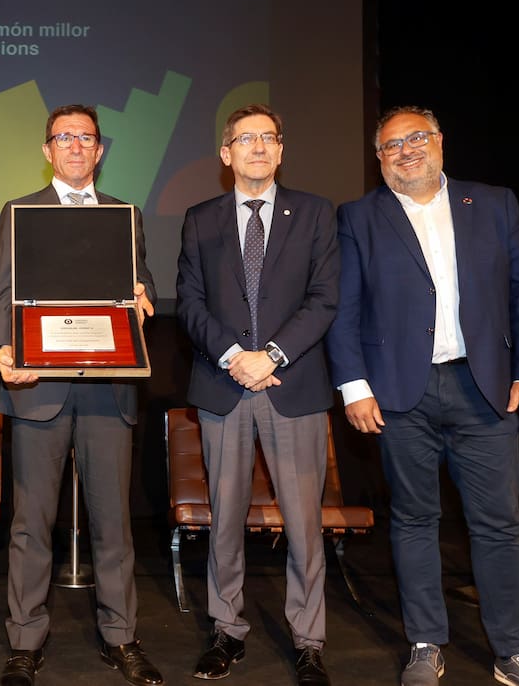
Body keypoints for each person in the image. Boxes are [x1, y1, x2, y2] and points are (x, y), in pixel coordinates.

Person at [325, 106, 519, 686]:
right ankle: (425, 644)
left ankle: (515, 652)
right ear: (379, 159)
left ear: (440, 142)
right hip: (400, 394)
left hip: (487, 390)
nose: (405, 151)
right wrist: (354, 386)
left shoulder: (495, 204)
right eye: (391, 146)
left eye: (416, 139)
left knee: (499, 524)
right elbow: (344, 310)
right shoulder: (358, 217)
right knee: (413, 520)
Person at [0, 104, 161, 686]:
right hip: (38, 387)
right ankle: (25, 642)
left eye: (85, 137)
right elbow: (9, 292)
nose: (74, 146)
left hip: (108, 389)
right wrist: (7, 351)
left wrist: (142, 298)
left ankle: (122, 637)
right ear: (47, 150)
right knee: (30, 525)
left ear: (99, 150)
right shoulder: (19, 212)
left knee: (113, 524)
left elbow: (141, 281)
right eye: (63, 137)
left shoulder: (125, 215)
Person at [175, 104, 339, 686]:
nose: (259, 147)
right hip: (224, 386)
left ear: (281, 150)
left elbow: (324, 297)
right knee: (224, 521)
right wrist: (234, 357)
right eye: (247, 139)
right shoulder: (200, 219)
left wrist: (269, 356)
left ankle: (309, 640)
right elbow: (190, 301)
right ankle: (227, 630)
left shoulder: (315, 213)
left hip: (291, 385)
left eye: (269, 138)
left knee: (304, 526)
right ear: (227, 154)